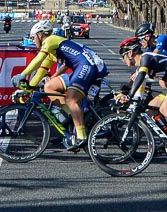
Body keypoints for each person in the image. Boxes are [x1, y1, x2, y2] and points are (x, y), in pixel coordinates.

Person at [11, 19, 108, 150]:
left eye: (33, 37)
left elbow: (38, 59)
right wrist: (27, 90)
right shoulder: (52, 52)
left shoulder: (51, 40)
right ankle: (73, 115)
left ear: (40, 34)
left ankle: (81, 136)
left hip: (87, 66)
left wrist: (22, 75)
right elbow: (40, 72)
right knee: (49, 86)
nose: (33, 41)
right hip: (80, 68)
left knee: (72, 99)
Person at [116, 36, 167, 151]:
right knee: (152, 107)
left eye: (123, 56)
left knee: (165, 108)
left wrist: (129, 96)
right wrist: (124, 93)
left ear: (130, 53)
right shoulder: (144, 62)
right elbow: (135, 81)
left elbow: (140, 77)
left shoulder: (146, 57)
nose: (123, 59)